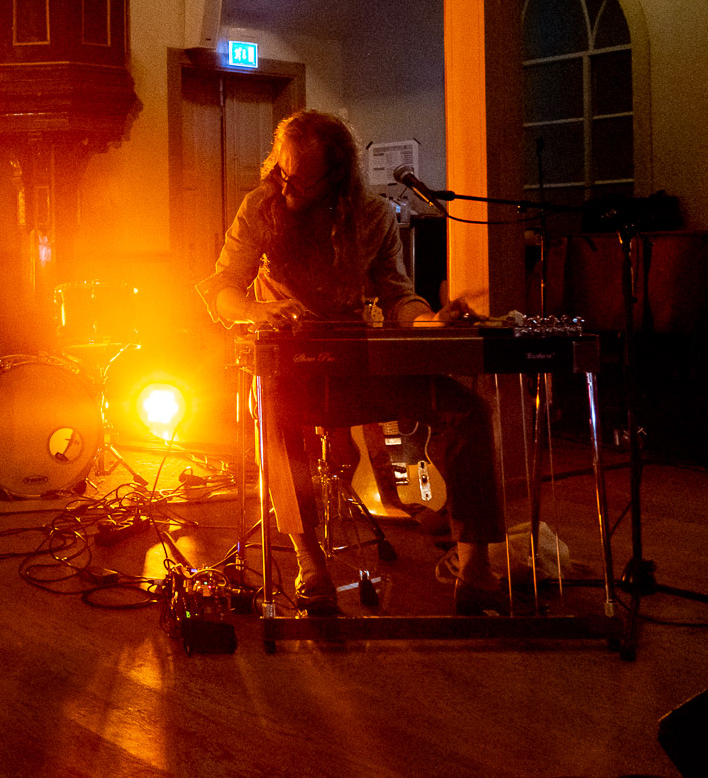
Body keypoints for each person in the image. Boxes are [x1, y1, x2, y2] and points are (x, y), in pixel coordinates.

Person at [196, 109, 505, 616]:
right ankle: (309, 563)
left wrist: (429, 322)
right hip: (289, 364)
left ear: (337, 176)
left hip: (356, 362)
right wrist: (255, 309)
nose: (286, 185)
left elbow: (398, 295)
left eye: (302, 180)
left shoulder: (373, 215)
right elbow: (222, 287)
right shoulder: (260, 207)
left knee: (467, 410)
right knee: (273, 416)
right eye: (282, 171)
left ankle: (474, 569)